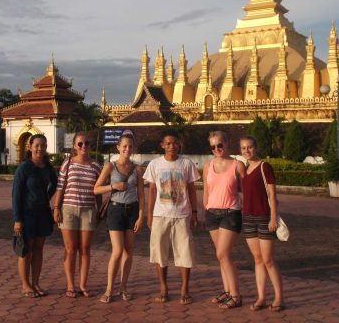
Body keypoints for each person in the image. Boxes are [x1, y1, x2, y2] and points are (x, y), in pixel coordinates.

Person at [143, 129, 200, 305]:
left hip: (182, 214)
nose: (171, 146)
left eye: (174, 142)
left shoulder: (186, 164)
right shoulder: (155, 165)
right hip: (161, 214)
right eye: (167, 143)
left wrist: (195, 213)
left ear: (179, 144)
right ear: (162, 145)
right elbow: (152, 190)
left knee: (185, 253)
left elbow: (191, 189)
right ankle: (164, 288)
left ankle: (184, 289)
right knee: (160, 253)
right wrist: (149, 214)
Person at [93, 133, 145, 303]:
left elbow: (141, 195)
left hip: (132, 210)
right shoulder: (110, 166)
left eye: (130, 146)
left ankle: (123, 286)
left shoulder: (137, 169)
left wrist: (140, 216)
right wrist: (113, 186)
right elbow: (96, 189)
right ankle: (109, 288)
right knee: (117, 251)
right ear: (118, 147)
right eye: (124, 146)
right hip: (115, 210)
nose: (127, 149)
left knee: (129, 251)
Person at [53, 132, 102, 298]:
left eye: (87, 143)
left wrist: (100, 209)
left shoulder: (96, 166)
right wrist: (56, 207)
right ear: (74, 146)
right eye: (80, 144)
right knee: (71, 249)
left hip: (88, 210)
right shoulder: (67, 163)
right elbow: (61, 187)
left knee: (85, 249)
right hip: (69, 210)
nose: (84, 147)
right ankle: (70, 285)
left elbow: (99, 190)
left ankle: (82, 284)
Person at [239, 135, 284, 312]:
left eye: (250, 147)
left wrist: (273, 217)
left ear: (256, 148)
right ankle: (261, 297)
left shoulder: (265, 167)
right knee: (257, 260)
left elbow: (272, 195)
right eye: (243, 148)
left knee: (268, 260)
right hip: (248, 217)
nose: (247, 151)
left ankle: (279, 297)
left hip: (264, 217)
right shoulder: (245, 169)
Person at [203, 131, 246, 309]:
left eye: (220, 145)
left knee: (223, 254)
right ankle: (227, 291)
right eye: (213, 146)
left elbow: (246, 190)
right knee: (220, 256)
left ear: (227, 144)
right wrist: (205, 207)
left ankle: (236, 295)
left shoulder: (238, 165)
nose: (217, 149)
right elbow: (206, 189)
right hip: (212, 213)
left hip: (231, 213)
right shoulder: (207, 166)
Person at [12, 134, 57, 298]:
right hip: (27, 214)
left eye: (43, 145)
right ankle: (25, 285)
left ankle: (35, 282)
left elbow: (55, 183)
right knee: (26, 249)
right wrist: (17, 219)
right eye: (37, 145)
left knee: (38, 248)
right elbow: (16, 195)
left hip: (42, 213)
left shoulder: (47, 168)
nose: (40, 148)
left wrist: (46, 198)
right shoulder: (23, 168)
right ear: (30, 147)